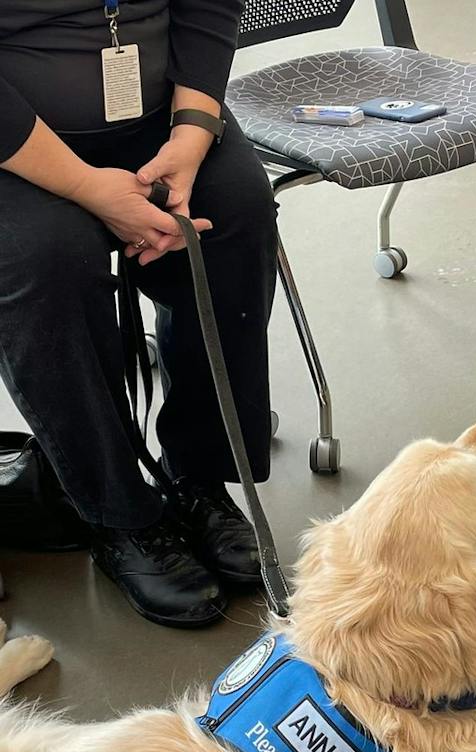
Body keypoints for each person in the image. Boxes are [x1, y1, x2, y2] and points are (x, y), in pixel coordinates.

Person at [0, 0, 275, 628]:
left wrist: (193, 133)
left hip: (158, 117)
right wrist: (89, 188)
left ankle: (201, 478)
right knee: (48, 260)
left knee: (235, 215)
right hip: (11, 144)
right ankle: (119, 514)